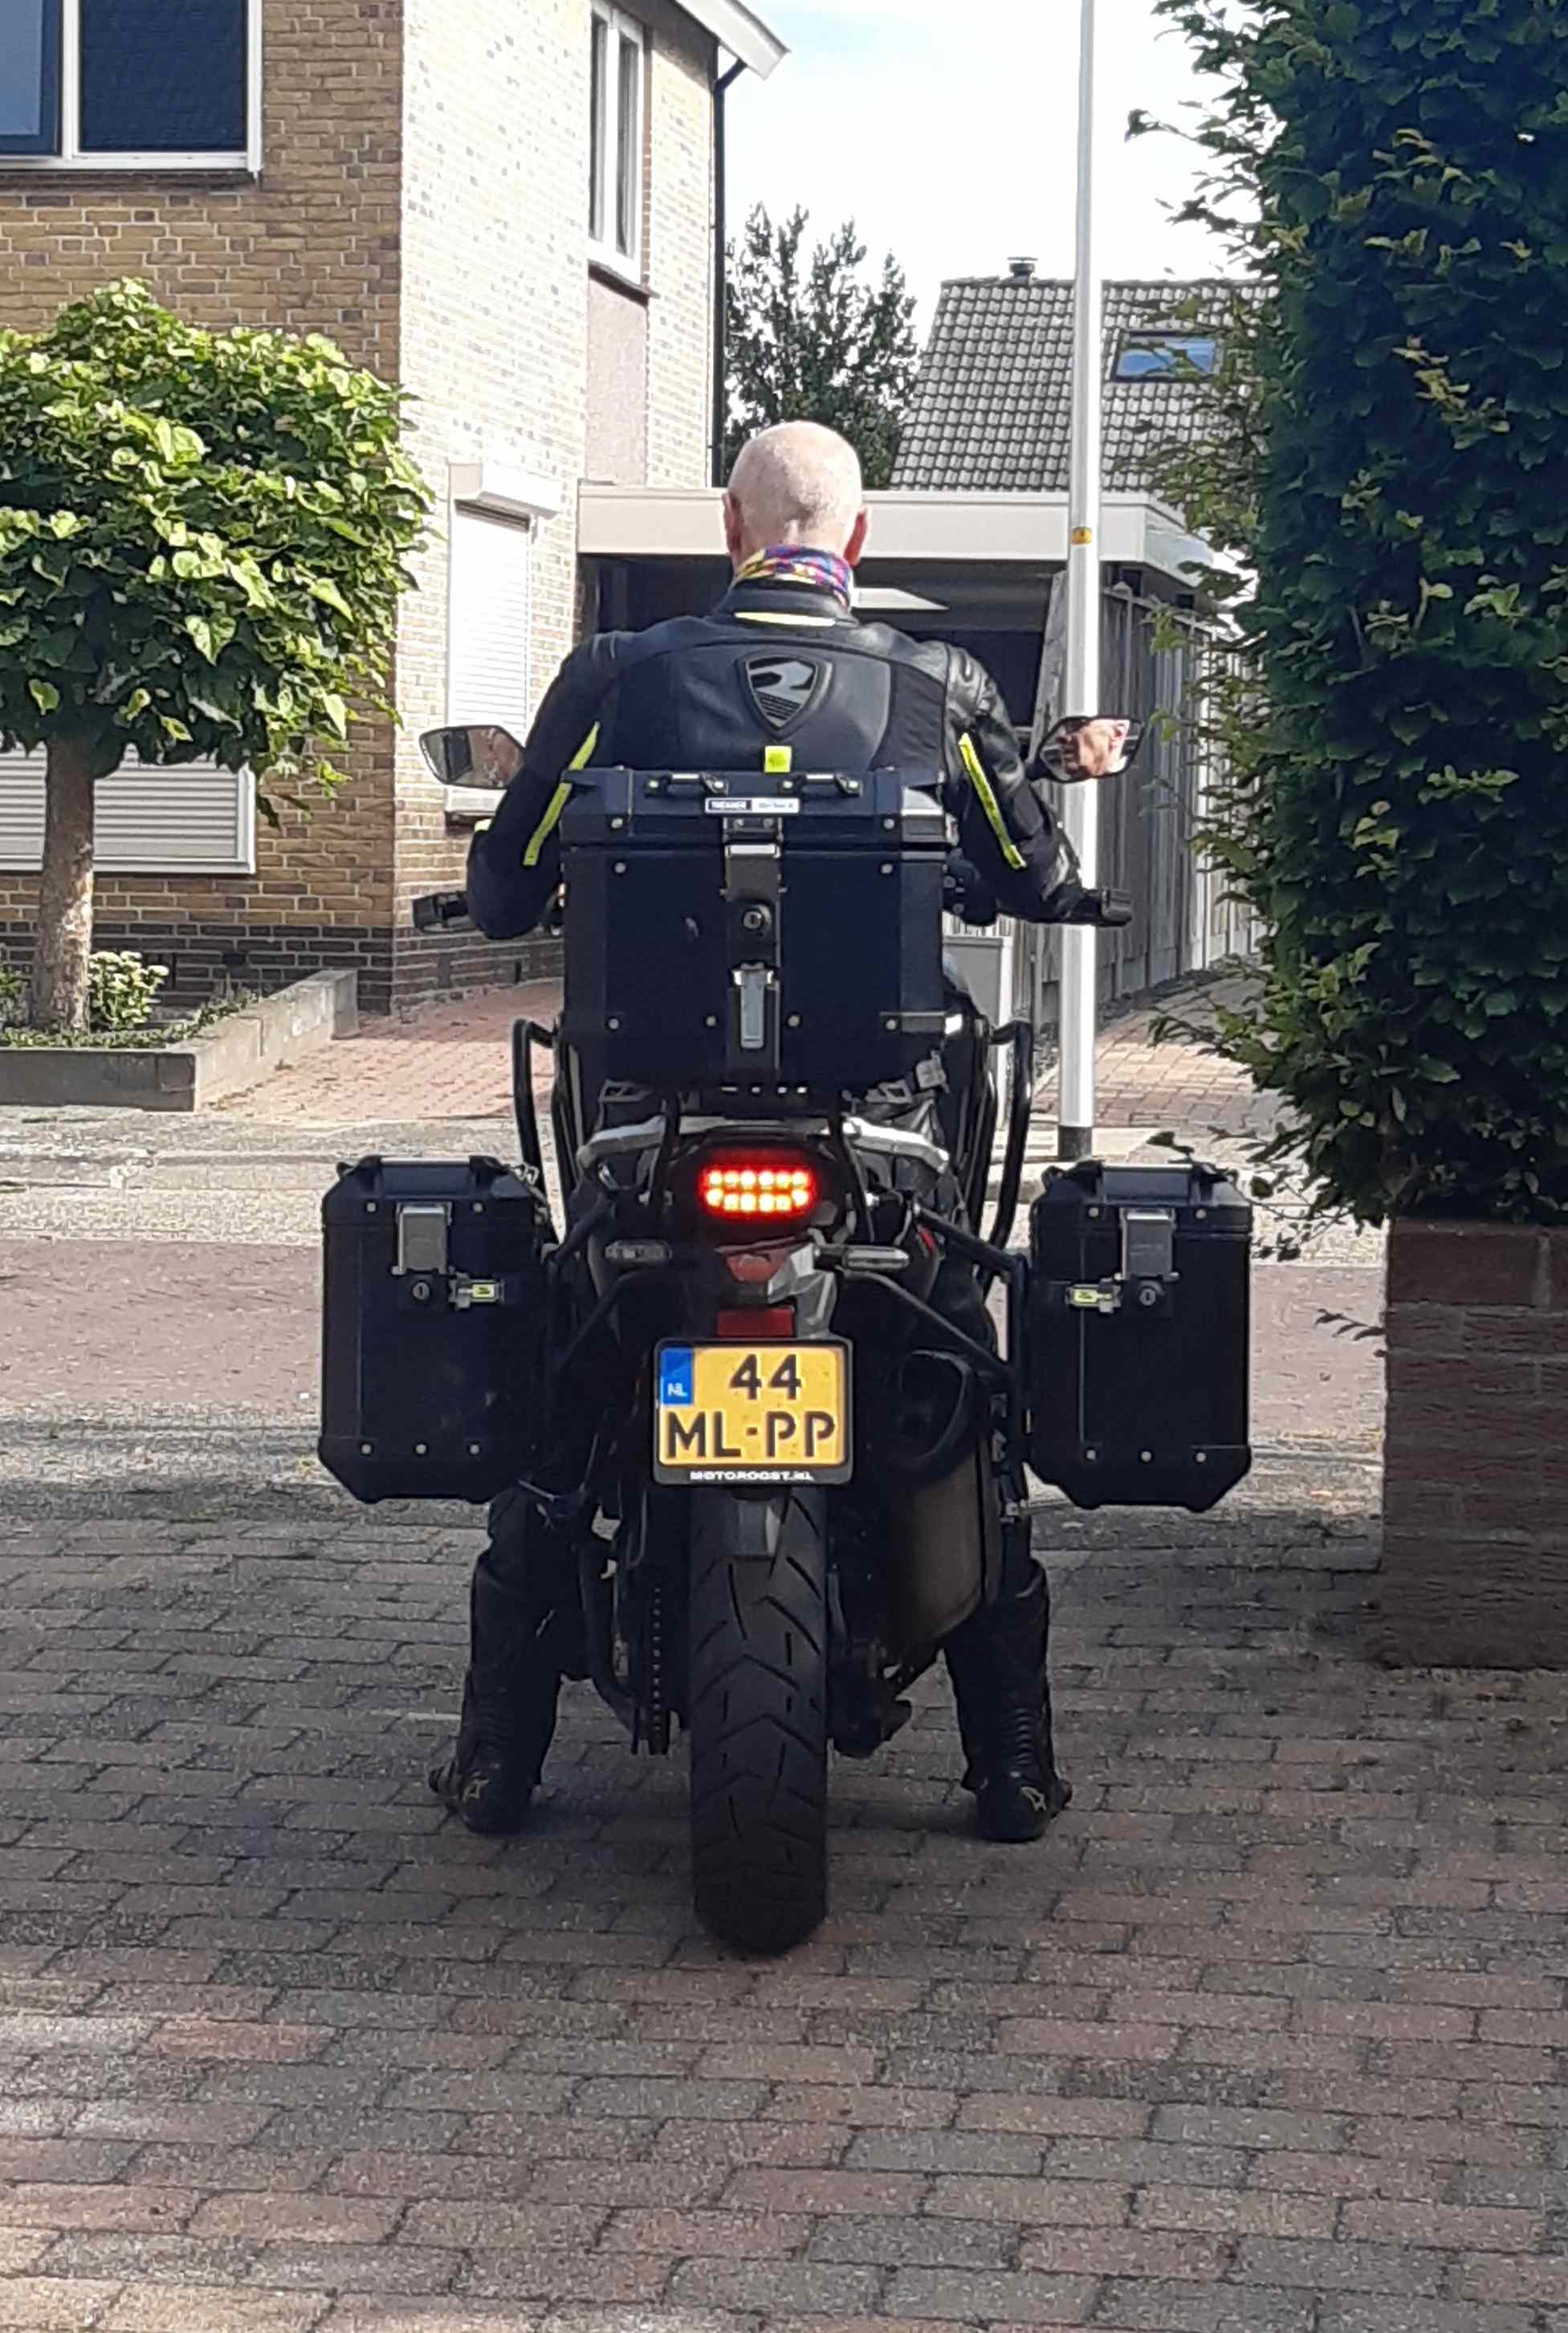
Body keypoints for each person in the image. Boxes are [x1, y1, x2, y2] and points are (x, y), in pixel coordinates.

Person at [431, 420, 1083, 1849]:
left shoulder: (618, 676)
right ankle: (1013, 1760)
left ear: (730, 533)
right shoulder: (938, 684)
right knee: (962, 1397)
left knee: (560, 1403)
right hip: (877, 1149)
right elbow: (1038, 871)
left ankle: (494, 1756)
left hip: (652, 1138)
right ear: (855, 538)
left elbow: (500, 890)